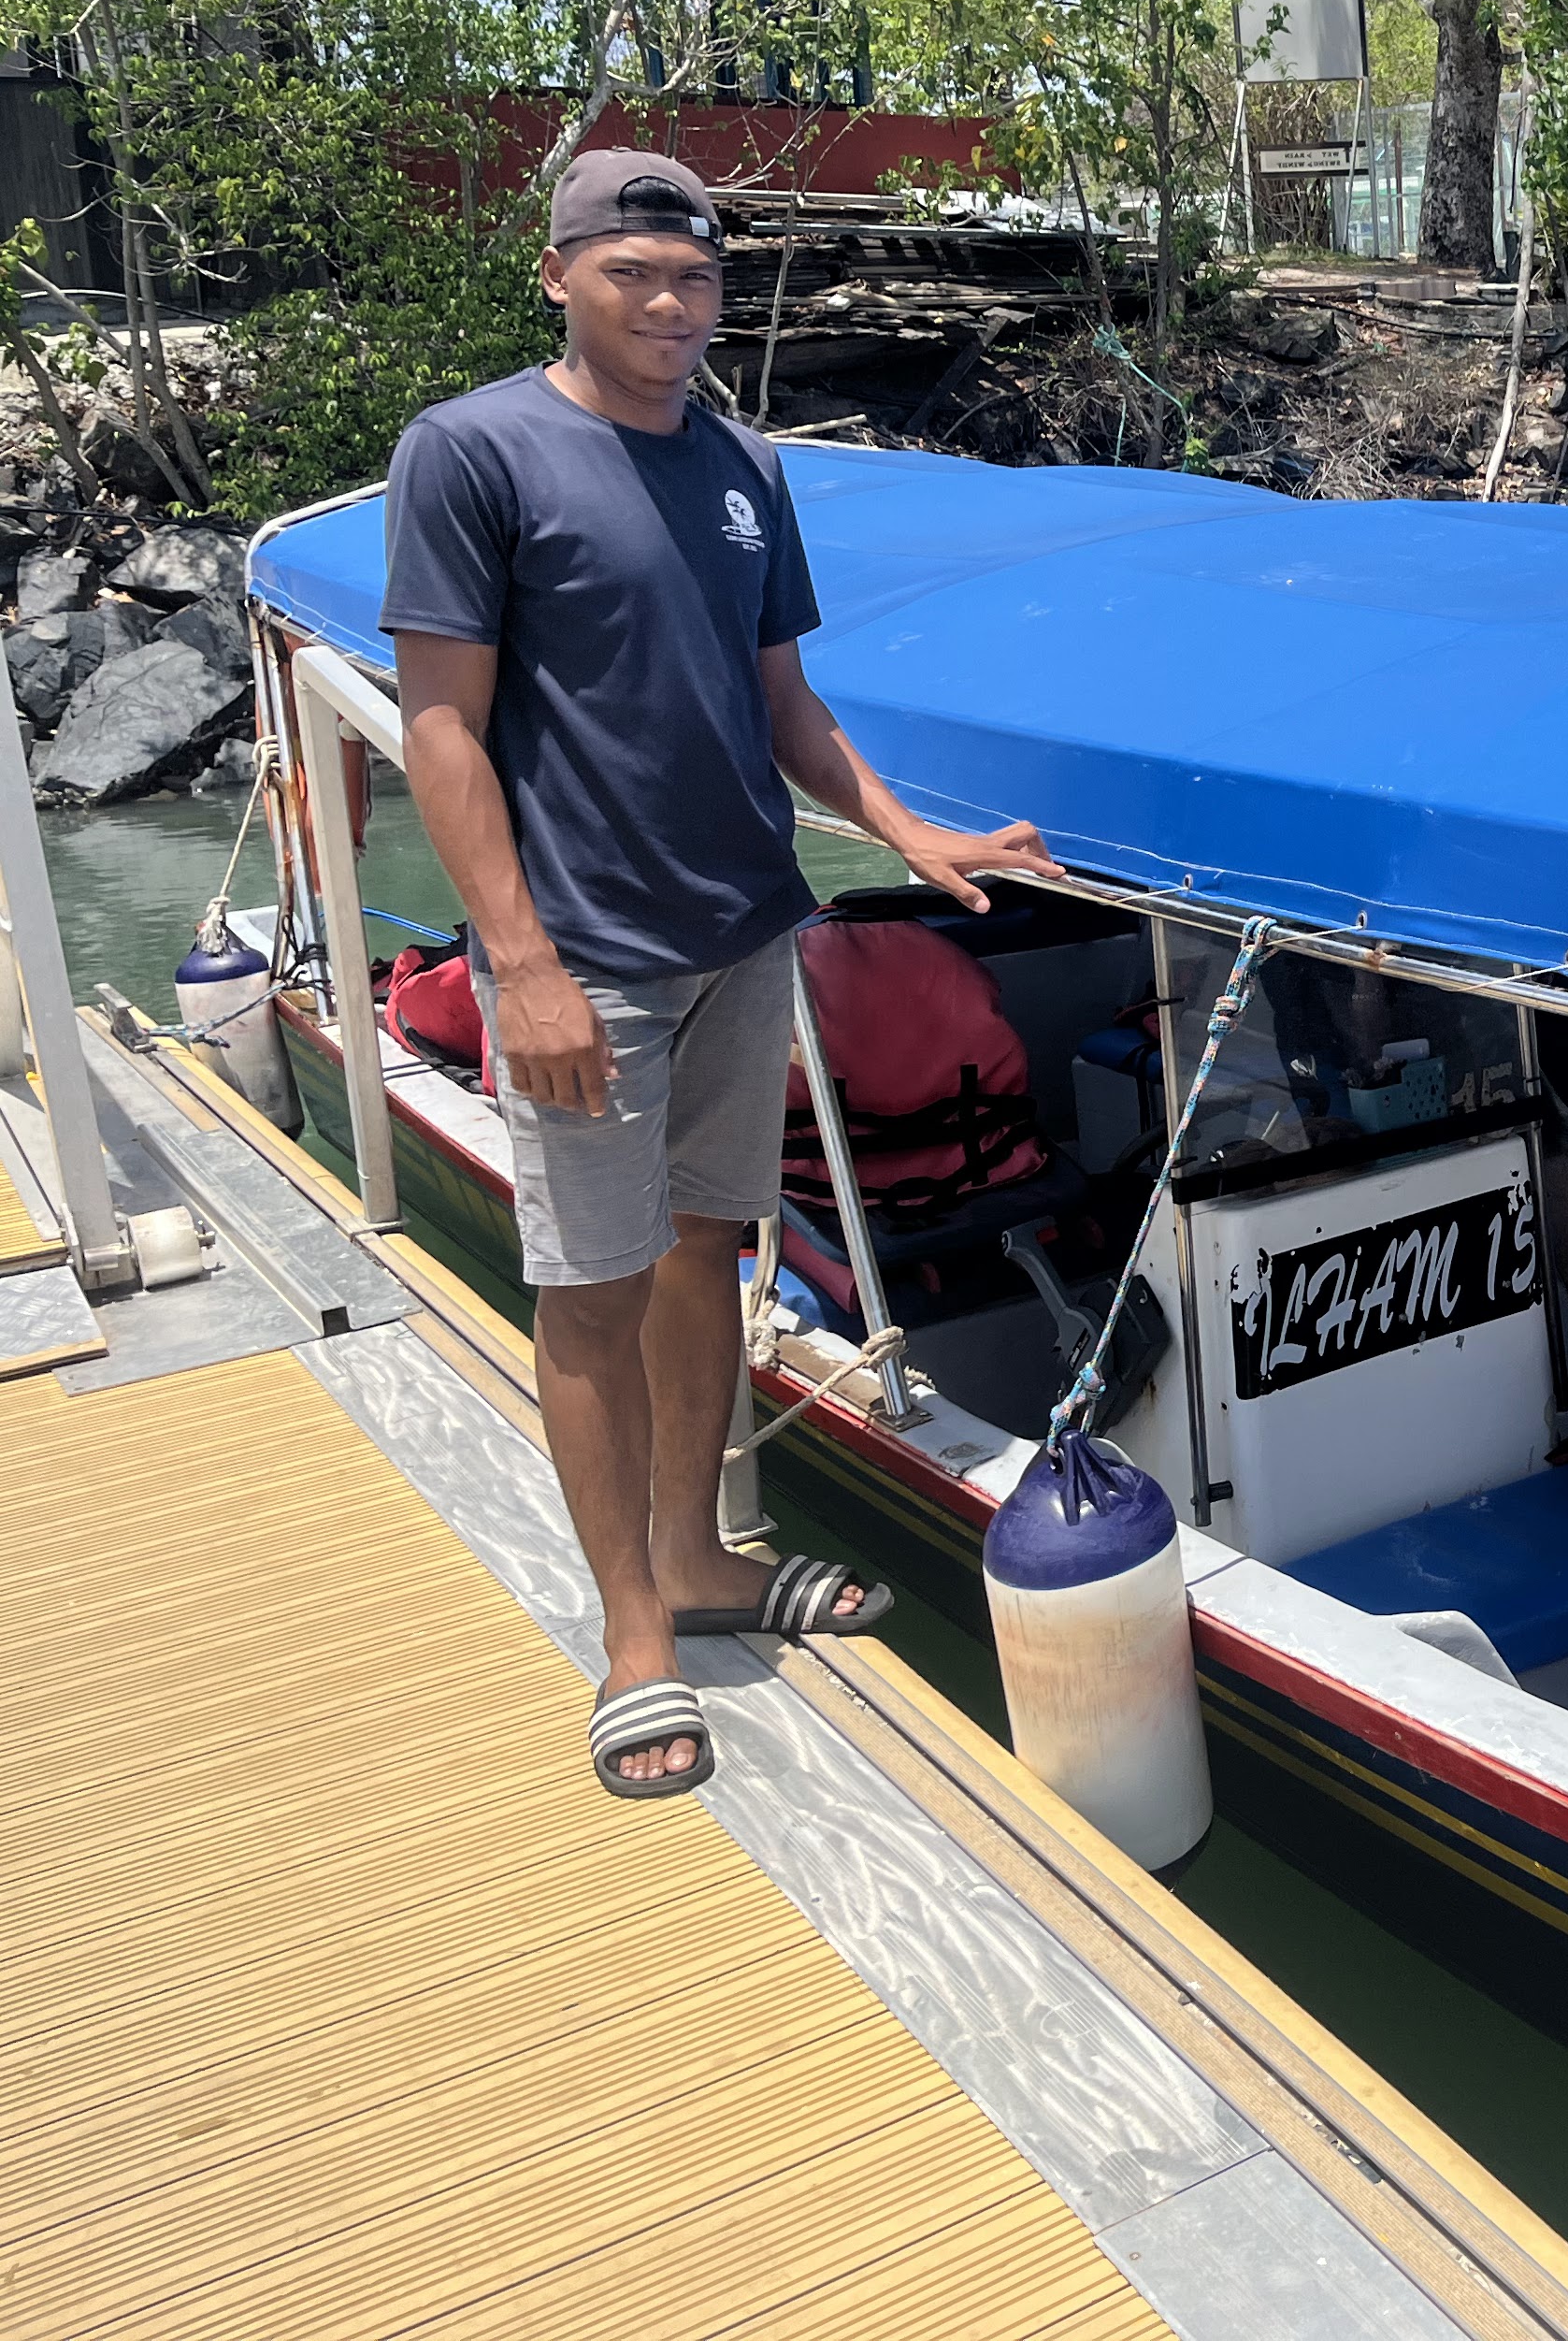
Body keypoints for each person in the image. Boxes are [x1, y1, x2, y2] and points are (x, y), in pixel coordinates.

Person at [384, 149, 1061, 1800]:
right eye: (634, 274)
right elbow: (440, 725)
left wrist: (913, 835)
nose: (673, 304)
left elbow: (785, 702)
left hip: (742, 930)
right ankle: (632, 1633)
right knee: (589, 1289)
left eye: (694, 277)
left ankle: (695, 1554)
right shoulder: (473, 451)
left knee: (706, 1251)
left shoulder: (742, 461)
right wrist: (518, 961)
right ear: (560, 275)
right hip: (588, 957)